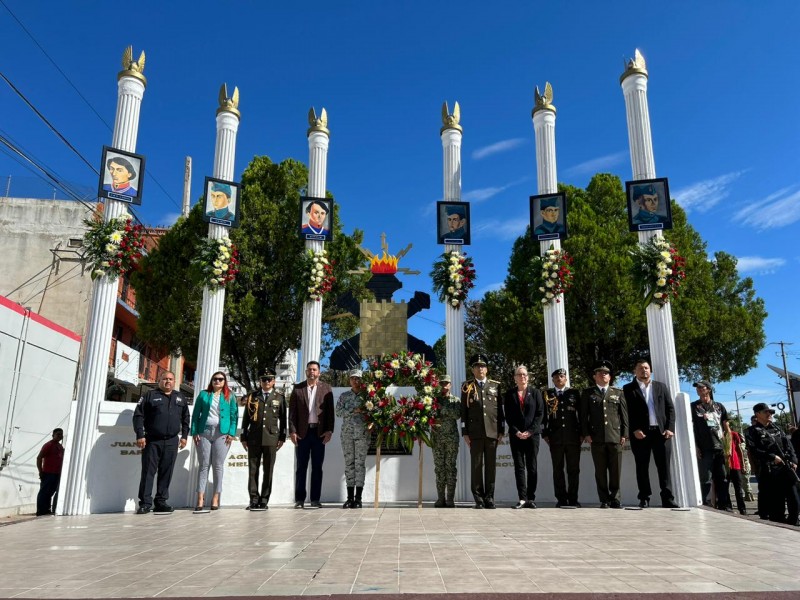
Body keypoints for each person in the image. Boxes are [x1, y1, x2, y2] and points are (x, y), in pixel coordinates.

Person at [622, 359, 678, 508]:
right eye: (640, 368)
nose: (644, 370)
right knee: (642, 466)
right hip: (640, 434)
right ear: (635, 371)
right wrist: (634, 429)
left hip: (661, 433)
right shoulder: (628, 388)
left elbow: (670, 409)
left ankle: (667, 498)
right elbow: (627, 412)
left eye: (646, 368)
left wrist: (670, 428)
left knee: (664, 467)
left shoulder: (661, 387)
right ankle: (644, 497)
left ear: (650, 370)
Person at [132, 371, 190, 514]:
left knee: (166, 472)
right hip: (152, 440)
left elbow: (186, 418)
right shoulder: (150, 396)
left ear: (174, 381)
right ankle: (145, 503)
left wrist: (184, 437)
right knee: (148, 473)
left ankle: (161, 502)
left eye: (170, 379)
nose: (168, 381)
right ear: (160, 380)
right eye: (165, 379)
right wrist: (140, 435)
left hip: (172, 441)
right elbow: (138, 416)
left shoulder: (180, 397)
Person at [581, 360, 628, 508]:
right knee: (600, 471)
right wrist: (586, 433)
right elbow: (583, 416)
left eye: (606, 373)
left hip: (614, 436)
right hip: (596, 437)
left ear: (610, 376)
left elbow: (624, 415)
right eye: (600, 373)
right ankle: (604, 499)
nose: (603, 375)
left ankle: (615, 499)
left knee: (615, 471)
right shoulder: (588, 393)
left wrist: (624, 434)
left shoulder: (618, 392)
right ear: (594, 376)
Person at [190, 371, 238, 512]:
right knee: (204, 465)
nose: (217, 381)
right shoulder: (203, 394)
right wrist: (194, 431)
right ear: (211, 381)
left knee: (218, 466)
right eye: (215, 379)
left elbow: (234, 416)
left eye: (220, 379)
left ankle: (215, 497)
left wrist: (232, 433)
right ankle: (200, 498)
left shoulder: (230, 396)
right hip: (204, 432)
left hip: (222, 433)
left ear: (224, 381)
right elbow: (195, 414)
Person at [289, 360, 335, 508]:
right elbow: (292, 413)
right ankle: (300, 500)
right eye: (309, 369)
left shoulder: (326, 388)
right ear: (306, 372)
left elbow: (330, 413)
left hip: (319, 433)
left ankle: (315, 499)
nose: (312, 372)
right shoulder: (297, 389)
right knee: (301, 467)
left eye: (314, 370)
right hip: (302, 433)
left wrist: (329, 430)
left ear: (319, 372)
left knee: (317, 467)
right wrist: (292, 431)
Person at [745, 402, 799, 525]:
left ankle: (793, 523)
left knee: (794, 500)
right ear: (757, 414)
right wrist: (772, 457)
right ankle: (779, 526)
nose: (769, 414)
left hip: (786, 469)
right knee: (776, 504)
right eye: (766, 412)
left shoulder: (777, 428)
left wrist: (794, 461)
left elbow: (789, 446)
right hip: (769, 471)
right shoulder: (751, 431)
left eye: (770, 412)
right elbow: (754, 450)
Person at [461, 353, 503, 509]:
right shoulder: (467, 386)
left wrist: (501, 430)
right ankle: (478, 498)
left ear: (487, 369)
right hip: (475, 433)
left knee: (491, 467)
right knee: (477, 466)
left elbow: (500, 412)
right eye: (477, 366)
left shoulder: (495, 386)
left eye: (483, 366)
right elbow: (463, 411)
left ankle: (490, 498)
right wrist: (465, 432)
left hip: (492, 432)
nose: (481, 369)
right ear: (473, 370)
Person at [240, 369, 287, 510]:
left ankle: (264, 500)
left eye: (269, 379)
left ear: (273, 381)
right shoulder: (252, 396)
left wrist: (282, 437)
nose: (266, 382)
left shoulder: (279, 397)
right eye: (263, 379)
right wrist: (243, 436)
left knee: (268, 470)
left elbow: (283, 419)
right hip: (253, 437)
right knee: (253, 470)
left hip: (272, 438)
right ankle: (253, 499)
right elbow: (246, 419)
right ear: (260, 381)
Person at [503, 365, 544, 509]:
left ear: (528, 376)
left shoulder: (536, 392)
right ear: (515, 378)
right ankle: (522, 498)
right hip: (516, 436)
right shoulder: (509, 394)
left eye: (524, 374)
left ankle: (531, 498)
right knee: (519, 467)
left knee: (532, 467)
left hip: (532, 436)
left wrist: (530, 431)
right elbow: (508, 416)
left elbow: (540, 414)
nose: (522, 377)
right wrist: (516, 431)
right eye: (519, 374)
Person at [542, 368, 582, 507]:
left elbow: (581, 415)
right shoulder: (547, 394)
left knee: (573, 469)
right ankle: (561, 499)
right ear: (552, 380)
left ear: (566, 379)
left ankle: (573, 499)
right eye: (556, 377)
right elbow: (544, 416)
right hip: (555, 438)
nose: (559, 378)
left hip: (573, 437)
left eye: (562, 376)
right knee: (558, 470)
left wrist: (582, 433)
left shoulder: (574, 393)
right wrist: (545, 434)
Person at [690, 380, 731, 510]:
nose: (699, 389)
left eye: (702, 387)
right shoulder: (693, 406)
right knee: (705, 478)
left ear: (708, 389)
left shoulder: (719, 406)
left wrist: (728, 447)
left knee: (722, 478)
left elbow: (727, 428)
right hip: (704, 447)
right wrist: (695, 446)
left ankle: (724, 504)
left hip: (720, 447)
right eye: (697, 388)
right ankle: (705, 504)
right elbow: (691, 428)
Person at [335, 369, 369, 509]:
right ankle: (349, 498)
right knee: (349, 464)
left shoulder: (367, 396)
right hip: (347, 434)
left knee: (359, 464)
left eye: (358, 378)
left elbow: (373, 412)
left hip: (362, 434)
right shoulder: (344, 396)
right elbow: (338, 412)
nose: (356, 381)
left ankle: (358, 498)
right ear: (349, 380)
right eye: (353, 378)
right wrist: (353, 410)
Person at [431, 374, 461, 508]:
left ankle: (450, 498)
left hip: (451, 439)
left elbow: (457, 415)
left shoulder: (456, 400)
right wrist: (444, 411)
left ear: (450, 385)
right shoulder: (433, 400)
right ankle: (440, 498)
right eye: (442, 383)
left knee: (450, 468)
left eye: (446, 383)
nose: (444, 386)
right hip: (437, 438)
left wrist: (442, 410)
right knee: (439, 469)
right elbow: (431, 415)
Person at [36, 428, 64, 516]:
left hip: (57, 473)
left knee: (51, 492)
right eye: (58, 434)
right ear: (53, 435)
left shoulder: (60, 447)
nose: (60, 436)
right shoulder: (48, 445)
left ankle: (46, 509)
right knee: (44, 491)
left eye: (61, 434)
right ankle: (40, 510)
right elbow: (39, 458)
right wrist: (40, 471)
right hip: (48, 473)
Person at [724, 424, 748, 515]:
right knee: (725, 488)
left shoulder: (734, 434)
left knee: (738, 488)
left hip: (735, 464)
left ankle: (742, 508)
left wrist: (743, 465)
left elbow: (739, 449)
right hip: (725, 465)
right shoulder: (720, 434)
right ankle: (728, 506)